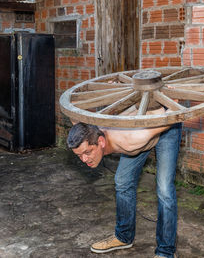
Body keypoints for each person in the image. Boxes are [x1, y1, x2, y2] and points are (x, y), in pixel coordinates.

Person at [67, 108, 181, 258]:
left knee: (164, 189)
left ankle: (165, 251)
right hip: (138, 125)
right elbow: (73, 111)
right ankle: (124, 237)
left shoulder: (130, 141)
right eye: (79, 155)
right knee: (122, 180)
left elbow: (172, 117)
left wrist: (173, 100)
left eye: (88, 152)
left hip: (166, 123)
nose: (84, 160)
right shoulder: (91, 130)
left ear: (101, 142)